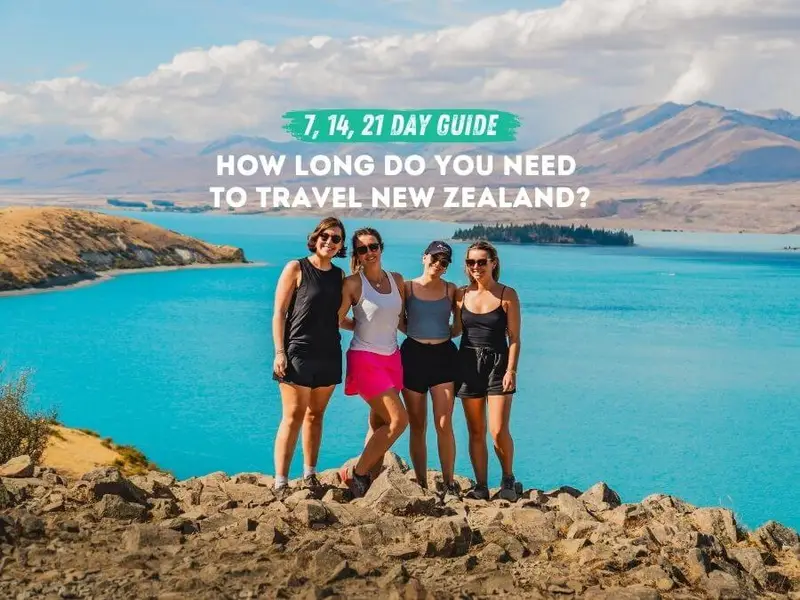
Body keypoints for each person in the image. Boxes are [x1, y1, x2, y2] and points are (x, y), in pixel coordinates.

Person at [272, 217, 347, 495]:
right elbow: (279, 313)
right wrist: (280, 352)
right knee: (293, 416)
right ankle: (280, 481)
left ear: (341, 245)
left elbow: (337, 317)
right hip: (297, 352)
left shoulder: (339, 276)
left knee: (316, 415)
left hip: (329, 353)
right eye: (325, 236)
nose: (329, 242)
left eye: (336, 239)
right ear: (315, 238)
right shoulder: (296, 267)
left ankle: (310, 474)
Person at [337, 227, 409, 498]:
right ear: (356, 254)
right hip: (365, 359)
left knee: (379, 424)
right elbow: (337, 317)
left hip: (393, 358)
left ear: (381, 247)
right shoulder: (353, 284)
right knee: (398, 421)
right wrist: (358, 326)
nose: (369, 252)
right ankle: (357, 472)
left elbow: (400, 321)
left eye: (373, 246)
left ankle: (369, 481)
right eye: (362, 249)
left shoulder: (397, 280)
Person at [452, 240, 522, 501]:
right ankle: (481, 485)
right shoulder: (460, 295)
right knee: (475, 431)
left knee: (497, 429)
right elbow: (455, 331)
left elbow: (514, 337)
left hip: (498, 365)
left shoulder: (507, 294)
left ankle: (507, 478)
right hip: (467, 364)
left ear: (494, 263)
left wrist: (511, 370)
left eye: (482, 262)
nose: (476, 267)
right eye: (471, 262)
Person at [400, 240, 460, 500]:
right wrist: (417, 334)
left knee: (444, 422)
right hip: (412, 356)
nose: (438, 264)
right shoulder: (407, 288)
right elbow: (399, 320)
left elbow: (457, 327)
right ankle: (421, 482)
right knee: (417, 424)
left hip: (444, 357)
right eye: (434, 258)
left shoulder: (451, 290)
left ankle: (449, 482)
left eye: (444, 262)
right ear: (424, 257)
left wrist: (439, 336)